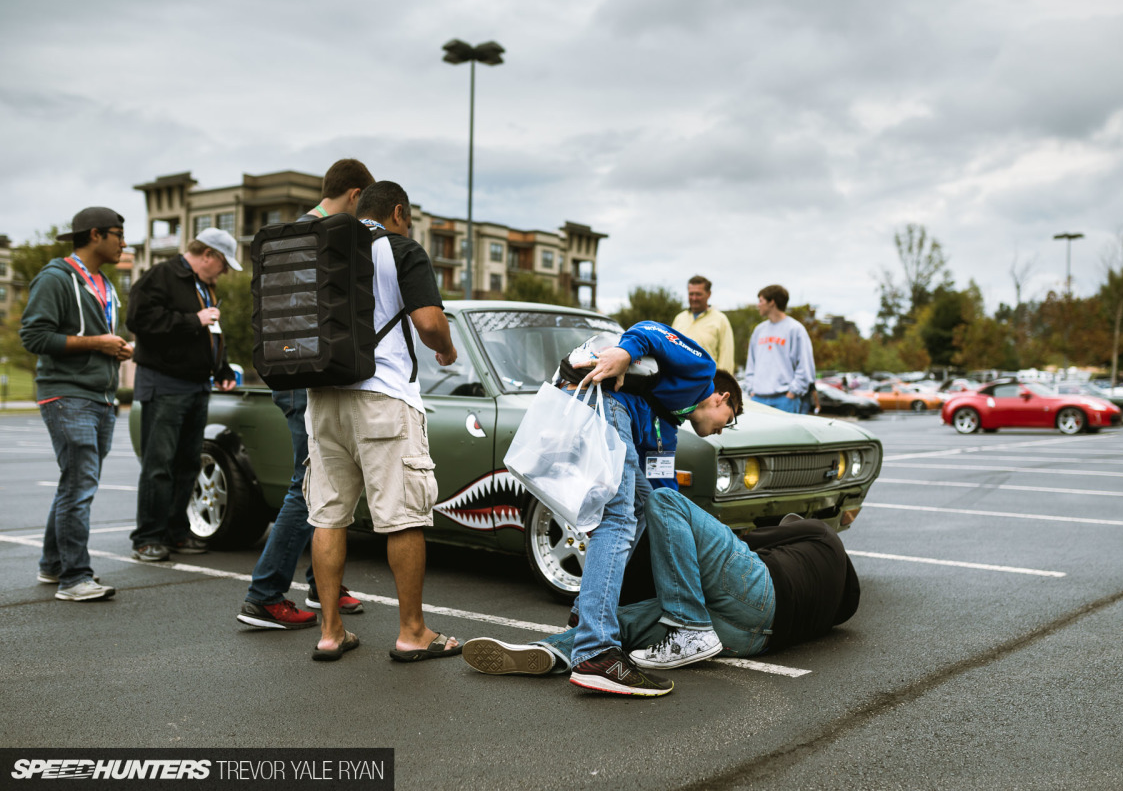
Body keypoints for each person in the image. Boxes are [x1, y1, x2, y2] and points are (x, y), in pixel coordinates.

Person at [463, 488, 859, 677]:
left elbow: (748, 543)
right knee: (623, 624)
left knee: (666, 501)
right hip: (756, 640)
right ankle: (554, 654)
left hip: (759, 592)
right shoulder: (837, 607)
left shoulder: (820, 534)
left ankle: (689, 626)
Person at [306, 180, 461, 663]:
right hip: (383, 395)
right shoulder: (399, 248)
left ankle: (331, 632)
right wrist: (448, 349)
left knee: (328, 514)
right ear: (398, 212)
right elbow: (430, 323)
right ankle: (412, 631)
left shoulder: (321, 248)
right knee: (403, 515)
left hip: (324, 395)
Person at [558, 322, 743, 696]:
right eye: (731, 418)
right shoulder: (702, 370)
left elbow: (663, 498)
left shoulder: (668, 423)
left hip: (594, 406)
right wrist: (626, 353)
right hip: (604, 401)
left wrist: (697, 531)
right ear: (721, 398)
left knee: (643, 506)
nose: (724, 429)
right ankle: (596, 650)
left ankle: (584, 611)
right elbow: (651, 330)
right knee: (619, 519)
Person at [237, 158, 375, 631]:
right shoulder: (320, 238)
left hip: (292, 372)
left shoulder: (292, 236)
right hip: (306, 378)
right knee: (310, 484)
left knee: (327, 482)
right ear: (355, 195)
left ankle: (324, 585)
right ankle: (265, 595)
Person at [19, 207, 134, 601]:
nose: (124, 242)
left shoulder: (103, 282)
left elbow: (94, 337)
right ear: (96, 234)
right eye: (118, 234)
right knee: (80, 486)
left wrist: (113, 348)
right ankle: (74, 579)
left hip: (100, 397)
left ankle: (53, 566)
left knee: (75, 483)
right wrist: (97, 343)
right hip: (68, 395)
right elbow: (33, 337)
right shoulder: (55, 279)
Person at [126, 228, 241, 562]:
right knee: (158, 465)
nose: (224, 271)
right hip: (165, 384)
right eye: (223, 264)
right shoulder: (161, 276)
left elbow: (211, 332)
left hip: (196, 385)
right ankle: (148, 537)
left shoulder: (204, 286)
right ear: (208, 255)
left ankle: (177, 533)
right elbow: (140, 319)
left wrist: (220, 369)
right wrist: (194, 319)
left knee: (187, 464)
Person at [744, 284, 819, 415]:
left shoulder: (795, 329)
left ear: (772, 302)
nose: (758, 305)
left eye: (761, 301)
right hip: (757, 399)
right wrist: (751, 389)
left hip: (784, 400)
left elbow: (805, 365)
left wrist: (792, 393)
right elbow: (751, 363)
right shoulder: (759, 330)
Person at [670, 275, 735, 373]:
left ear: (708, 294)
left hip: (709, 384)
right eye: (691, 294)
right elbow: (671, 351)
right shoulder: (679, 319)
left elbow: (726, 357)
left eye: (698, 294)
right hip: (680, 383)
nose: (694, 298)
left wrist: (723, 385)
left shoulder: (720, 320)